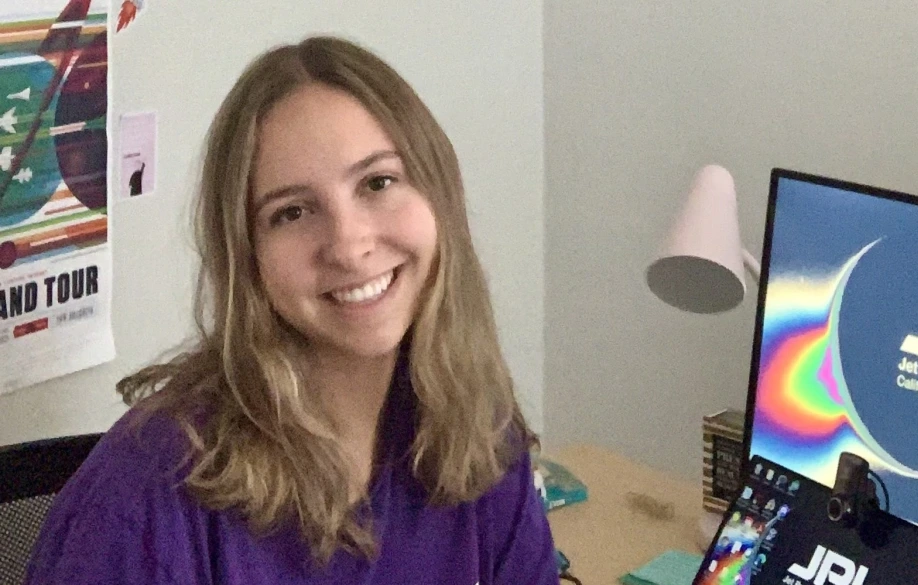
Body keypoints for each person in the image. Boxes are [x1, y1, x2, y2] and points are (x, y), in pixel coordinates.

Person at [23, 35, 559, 585]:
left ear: (438, 196)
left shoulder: (473, 426)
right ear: (248, 254)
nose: (349, 246)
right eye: (293, 212)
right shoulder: (147, 498)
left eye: (378, 182)